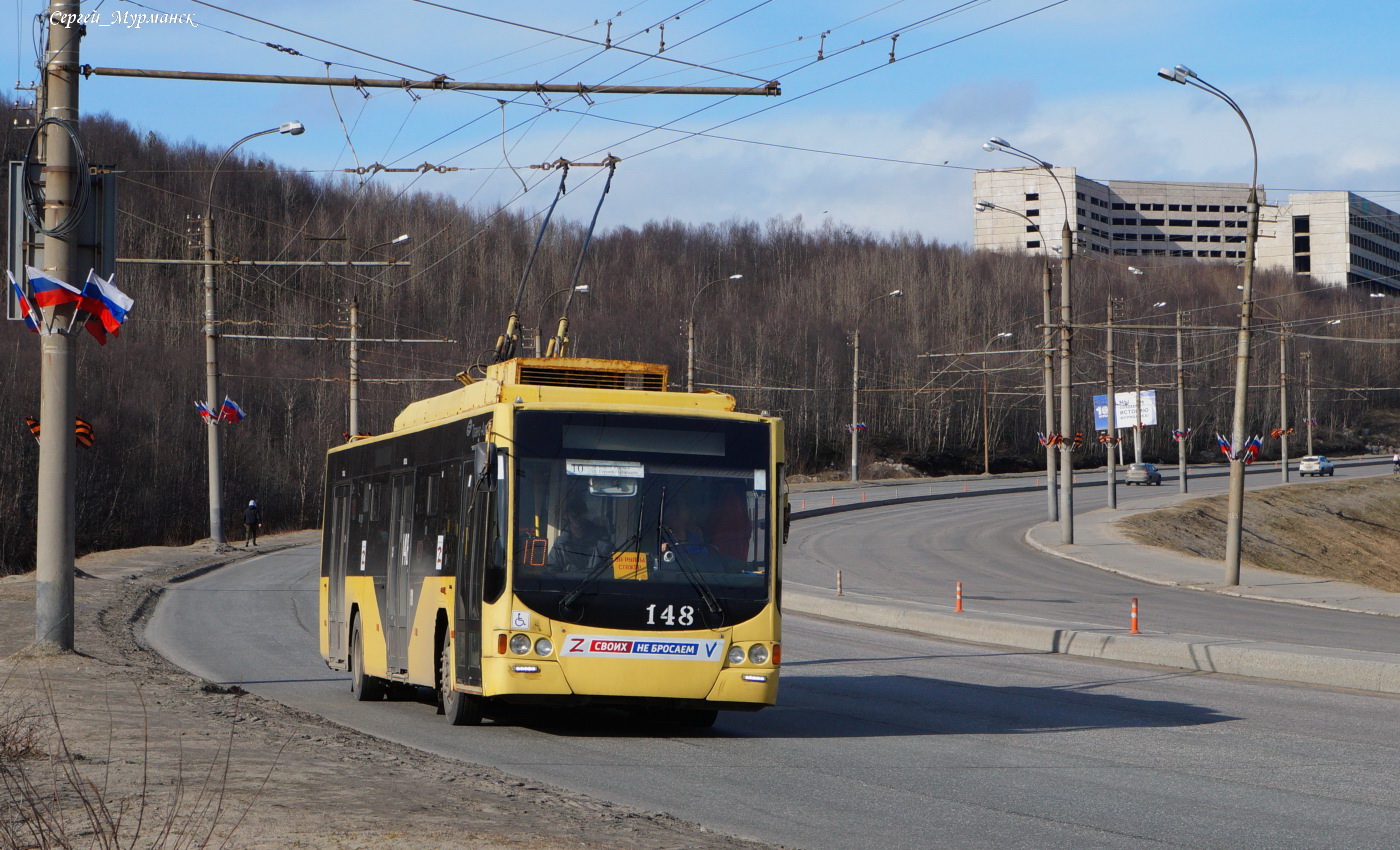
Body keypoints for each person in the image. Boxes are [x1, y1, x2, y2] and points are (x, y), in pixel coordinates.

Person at [548, 500, 609, 571]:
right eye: (573, 514)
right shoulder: (561, 543)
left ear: (585, 514)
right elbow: (551, 570)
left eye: (579, 513)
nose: (576, 516)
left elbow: (613, 562)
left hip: (599, 581)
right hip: (568, 582)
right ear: (567, 516)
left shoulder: (601, 539)